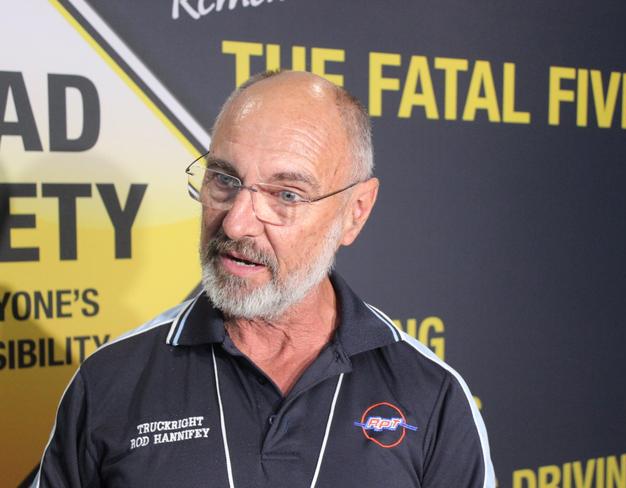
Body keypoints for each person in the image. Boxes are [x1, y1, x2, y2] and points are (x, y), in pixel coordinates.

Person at [34, 70, 495, 487]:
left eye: (286, 194)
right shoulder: (110, 380)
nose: (236, 224)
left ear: (355, 212)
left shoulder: (432, 394)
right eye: (224, 179)